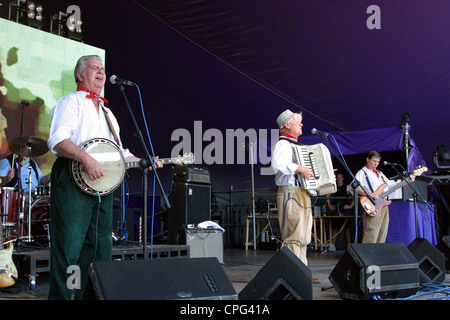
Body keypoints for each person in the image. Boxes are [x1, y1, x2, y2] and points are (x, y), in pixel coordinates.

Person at [46, 55, 162, 300]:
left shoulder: (108, 113)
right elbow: (57, 141)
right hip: (72, 181)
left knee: (100, 249)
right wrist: (87, 159)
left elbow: (119, 154)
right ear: (80, 75)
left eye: (103, 68)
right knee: (69, 250)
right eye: (94, 68)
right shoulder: (71, 102)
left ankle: (86, 296)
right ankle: (65, 297)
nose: (100, 72)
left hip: (102, 188)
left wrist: (144, 161)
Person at [271, 109, 314, 265]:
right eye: (298, 122)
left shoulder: (296, 145)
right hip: (290, 192)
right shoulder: (283, 144)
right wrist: (299, 168)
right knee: (293, 235)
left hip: (301, 192)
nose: (301, 124)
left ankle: (302, 269)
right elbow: (277, 163)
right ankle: (294, 271)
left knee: (303, 235)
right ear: (287, 125)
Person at [355, 150, 415, 243]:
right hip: (372, 204)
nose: (376, 164)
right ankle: (368, 253)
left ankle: (378, 253)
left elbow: (391, 185)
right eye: (374, 161)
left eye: (378, 162)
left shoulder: (380, 174)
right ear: (367, 159)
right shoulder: (362, 172)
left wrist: (408, 180)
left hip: (383, 204)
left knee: (382, 231)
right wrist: (371, 194)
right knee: (372, 231)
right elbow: (354, 188)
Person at [325, 172, 354, 250]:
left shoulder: (347, 187)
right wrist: (329, 205)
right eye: (338, 178)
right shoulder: (333, 187)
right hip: (336, 210)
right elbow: (327, 196)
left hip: (345, 210)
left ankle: (349, 245)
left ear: (343, 178)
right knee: (335, 228)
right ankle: (333, 245)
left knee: (347, 228)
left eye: (341, 178)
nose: (339, 179)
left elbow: (355, 196)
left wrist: (350, 206)